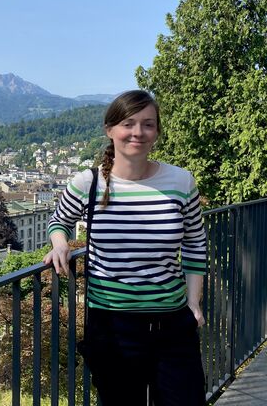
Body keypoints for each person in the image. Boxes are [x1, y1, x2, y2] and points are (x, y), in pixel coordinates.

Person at [44, 90, 206, 405]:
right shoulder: (88, 183)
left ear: (157, 131)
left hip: (172, 324)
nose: (138, 132)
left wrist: (194, 303)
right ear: (110, 129)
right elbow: (58, 222)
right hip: (112, 327)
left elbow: (195, 243)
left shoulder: (181, 182)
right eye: (128, 123)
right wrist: (60, 244)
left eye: (148, 124)